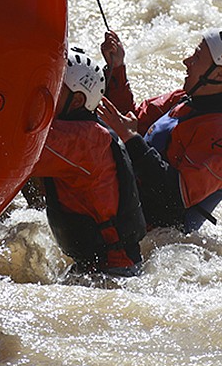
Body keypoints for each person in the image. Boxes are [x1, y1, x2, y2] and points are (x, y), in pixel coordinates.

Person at [97, 29, 222, 234]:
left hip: (152, 235)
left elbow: (173, 197)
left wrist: (131, 139)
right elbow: (128, 119)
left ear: (218, 74)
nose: (186, 61)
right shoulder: (185, 99)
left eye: (197, 57)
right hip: (126, 202)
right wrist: (117, 68)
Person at [28, 47, 146, 277]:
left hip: (113, 272)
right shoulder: (87, 131)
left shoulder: (86, 139)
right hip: (97, 267)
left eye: (54, 86)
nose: (46, 91)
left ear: (76, 101)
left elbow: (20, 147)